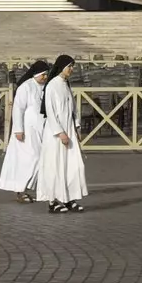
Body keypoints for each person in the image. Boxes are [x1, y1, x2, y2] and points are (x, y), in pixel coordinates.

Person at [35, 57, 88, 215]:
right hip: (56, 134)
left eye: (72, 66)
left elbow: (72, 109)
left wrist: (77, 127)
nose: (71, 69)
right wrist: (60, 132)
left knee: (71, 166)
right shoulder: (52, 85)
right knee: (55, 166)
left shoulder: (65, 84)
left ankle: (68, 198)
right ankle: (52, 201)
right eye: (69, 66)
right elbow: (50, 112)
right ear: (61, 67)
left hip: (69, 130)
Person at [0, 60, 49, 203]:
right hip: (26, 132)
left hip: (41, 131)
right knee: (30, 160)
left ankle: (35, 189)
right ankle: (20, 190)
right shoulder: (25, 87)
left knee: (41, 159)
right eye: (43, 75)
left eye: (46, 75)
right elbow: (18, 109)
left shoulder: (46, 86)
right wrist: (19, 129)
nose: (45, 77)